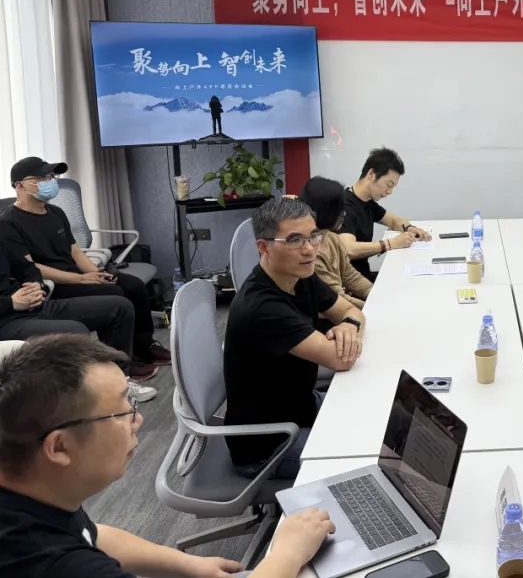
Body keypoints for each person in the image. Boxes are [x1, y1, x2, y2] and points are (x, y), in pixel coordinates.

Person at [0, 334, 334, 578]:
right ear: (59, 447)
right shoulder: (50, 563)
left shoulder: (34, 492)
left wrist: (190, 565)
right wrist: (287, 552)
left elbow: (91, 534)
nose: (138, 420)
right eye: (122, 411)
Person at [225, 197, 365, 480]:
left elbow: (352, 312)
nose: (309, 248)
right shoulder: (262, 307)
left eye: (314, 236)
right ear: (264, 247)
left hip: (299, 407)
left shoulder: (300, 275)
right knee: (365, 454)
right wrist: (347, 331)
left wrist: (348, 326)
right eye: (294, 240)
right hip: (270, 445)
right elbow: (340, 360)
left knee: (375, 417)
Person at [0, 158, 169, 378]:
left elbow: (75, 252)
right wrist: (82, 279)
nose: (49, 181)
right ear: (20, 186)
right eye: (41, 178)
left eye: (50, 176)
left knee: (133, 285)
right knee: (113, 293)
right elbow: (32, 267)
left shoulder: (56, 212)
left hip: (75, 275)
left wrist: (95, 273)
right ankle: (123, 361)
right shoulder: (8, 223)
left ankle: (144, 346)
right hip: (56, 283)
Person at [0, 239, 155, 401]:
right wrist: (11, 303)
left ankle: (119, 383)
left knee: (120, 308)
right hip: (5, 320)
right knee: (75, 331)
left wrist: (36, 285)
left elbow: (27, 268)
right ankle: (86, 398)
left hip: (33, 306)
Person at [339, 148, 432, 282]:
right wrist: (391, 243)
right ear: (371, 174)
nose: (389, 192)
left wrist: (410, 228)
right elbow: (348, 249)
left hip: (363, 277)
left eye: (393, 187)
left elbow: (393, 220)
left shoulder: (367, 202)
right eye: (389, 185)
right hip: (351, 283)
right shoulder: (344, 206)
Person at [298, 176, 373, 311]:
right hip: (329, 314)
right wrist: (375, 307)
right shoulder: (311, 252)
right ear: (324, 211)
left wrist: (375, 293)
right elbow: (336, 299)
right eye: (339, 209)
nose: (344, 214)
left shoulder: (333, 239)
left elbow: (351, 277)